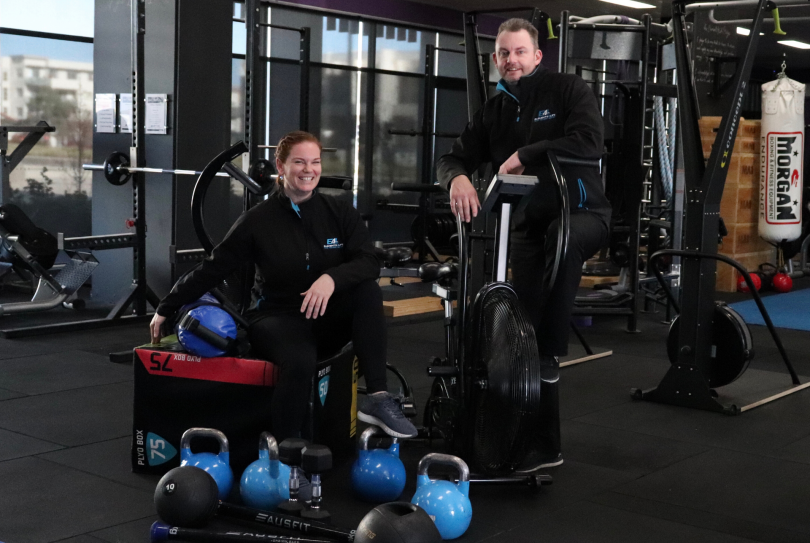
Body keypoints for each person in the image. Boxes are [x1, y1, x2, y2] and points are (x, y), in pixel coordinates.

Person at [149, 130, 417, 442]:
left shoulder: (340, 212)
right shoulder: (257, 220)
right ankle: (286, 459)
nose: (309, 169)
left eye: (315, 162)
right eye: (299, 162)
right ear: (281, 166)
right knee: (300, 361)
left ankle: (378, 395)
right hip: (276, 318)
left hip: (325, 317)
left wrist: (331, 279)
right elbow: (213, 268)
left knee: (367, 290)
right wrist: (165, 307)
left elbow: (369, 262)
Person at [436, 18, 611, 472]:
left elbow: (590, 142)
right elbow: (452, 156)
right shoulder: (494, 112)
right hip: (528, 230)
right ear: (496, 60)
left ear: (536, 56)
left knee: (562, 240)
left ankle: (551, 352)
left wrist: (525, 154)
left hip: (584, 217)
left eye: (519, 52)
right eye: (503, 54)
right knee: (522, 333)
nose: (511, 60)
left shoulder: (568, 89)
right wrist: (456, 177)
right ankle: (538, 444)